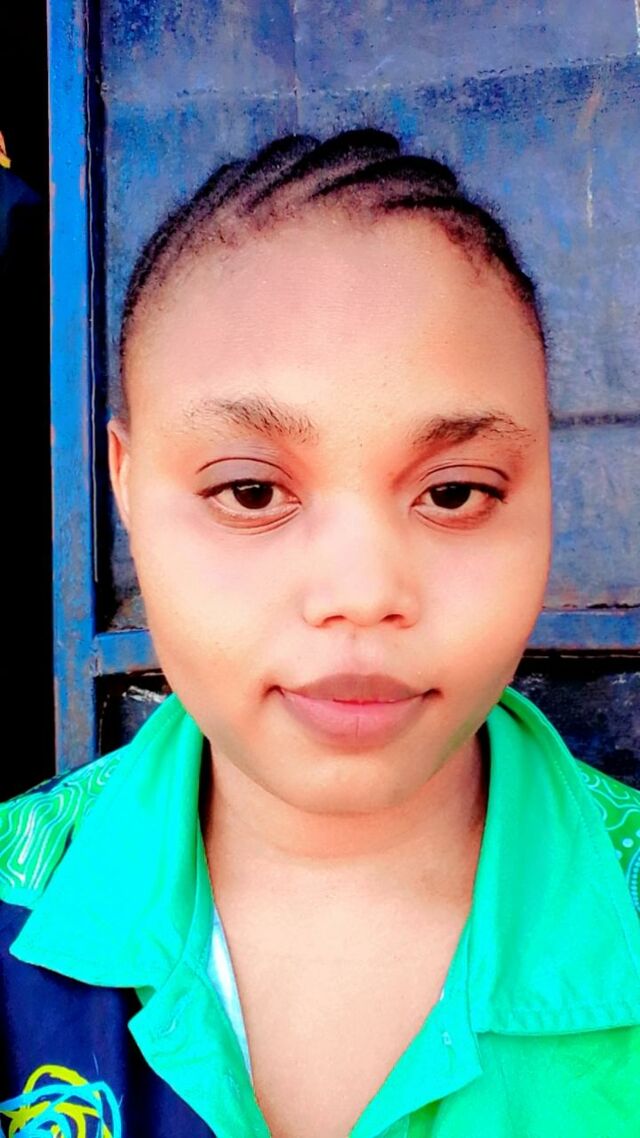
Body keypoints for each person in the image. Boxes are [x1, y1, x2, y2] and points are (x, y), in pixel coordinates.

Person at [1, 126, 639, 1138]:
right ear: (124, 484)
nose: (362, 592)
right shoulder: (14, 904)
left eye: (455, 492)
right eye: (251, 491)